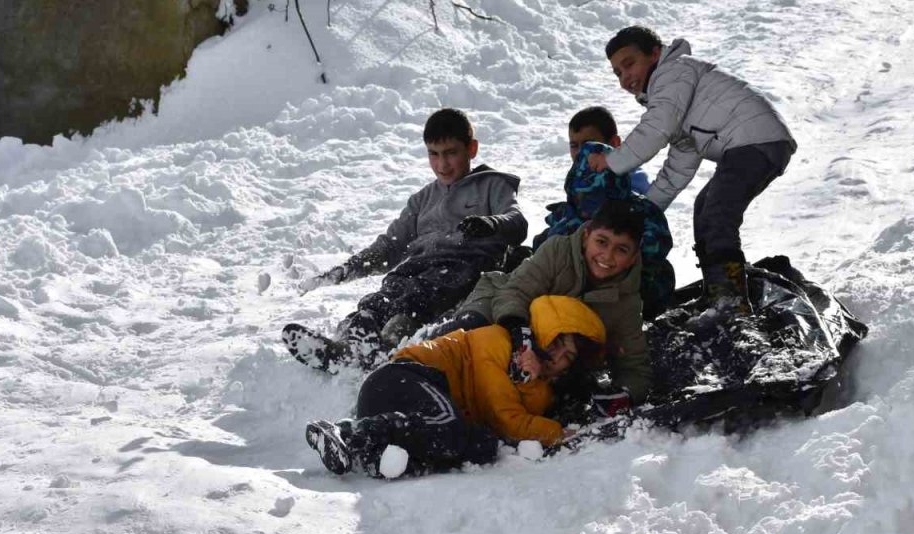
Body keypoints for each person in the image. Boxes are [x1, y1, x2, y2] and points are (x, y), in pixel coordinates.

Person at [287, 108, 528, 370]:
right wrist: (347, 269)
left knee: (418, 297)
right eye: (433, 155)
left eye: (451, 153)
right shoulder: (422, 199)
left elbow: (517, 222)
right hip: (418, 267)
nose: (442, 165)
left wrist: (490, 224)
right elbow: (390, 245)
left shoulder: (492, 185)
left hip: (464, 266)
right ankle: (345, 345)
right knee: (381, 299)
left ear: (471, 149)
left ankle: (390, 344)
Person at [588, 26, 797, 316]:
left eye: (629, 64)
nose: (625, 78)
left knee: (717, 212)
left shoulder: (673, 74)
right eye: (617, 73)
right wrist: (646, 209)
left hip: (755, 140)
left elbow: (656, 129)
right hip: (755, 145)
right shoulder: (678, 101)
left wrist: (610, 162)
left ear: (655, 54)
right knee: (705, 207)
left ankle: (731, 300)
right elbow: (678, 167)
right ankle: (717, 291)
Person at [304, 295, 606, 478]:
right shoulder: (497, 340)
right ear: (541, 331)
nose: (558, 357)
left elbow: (506, 424)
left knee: (483, 445)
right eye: (556, 343)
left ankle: (381, 459)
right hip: (400, 380)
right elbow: (507, 419)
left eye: (568, 357)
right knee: (452, 427)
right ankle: (346, 434)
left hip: (419, 417)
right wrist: (561, 434)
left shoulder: (541, 390)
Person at [442, 199, 652, 414]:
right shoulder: (558, 251)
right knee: (467, 339)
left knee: (555, 395)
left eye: (621, 249)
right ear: (587, 236)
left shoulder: (627, 300)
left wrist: (626, 394)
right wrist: (520, 336)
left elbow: (634, 366)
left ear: (633, 257)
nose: (607, 256)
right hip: (502, 304)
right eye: (602, 242)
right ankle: (423, 368)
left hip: (550, 349)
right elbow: (515, 293)